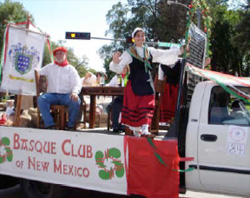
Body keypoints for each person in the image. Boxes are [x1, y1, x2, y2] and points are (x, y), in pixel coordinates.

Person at [110, 27, 183, 137]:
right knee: (135, 108)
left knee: (148, 106)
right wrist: (115, 63)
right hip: (135, 84)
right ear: (134, 38)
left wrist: (180, 51)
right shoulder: (129, 53)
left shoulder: (149, 51)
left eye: (142, 35)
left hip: (147, 83)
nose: (140, 37)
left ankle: (145, 129)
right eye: (138, 35)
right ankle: (136, 131)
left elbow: (164, 55)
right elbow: (120, 67)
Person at [37, 46, 81, 130]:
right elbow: (38, 72)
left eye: (60, 53)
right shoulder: (50, 67)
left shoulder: (70, 69)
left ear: (65, 55)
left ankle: (71, 125)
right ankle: (49, 124)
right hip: (52, 95)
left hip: (66, 95)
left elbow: (77, 83)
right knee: (41, 99)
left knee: (76, 101)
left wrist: (75, 92)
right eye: (56, 54)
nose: (58, 55)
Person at [106, 66, 129, 133]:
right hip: (119, 97)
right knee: (116, 104)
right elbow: (110, 85)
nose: (124, 69)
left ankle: (123, 126)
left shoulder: (130, 77)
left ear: (127, 69)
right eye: (122, 68)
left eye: (125, 68)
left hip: (128, 98)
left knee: (121, 104)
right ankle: (115, 126)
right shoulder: (117, 77)